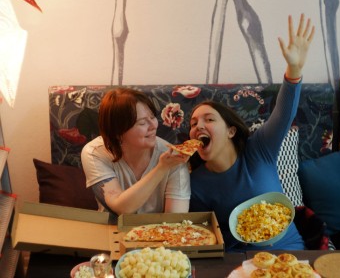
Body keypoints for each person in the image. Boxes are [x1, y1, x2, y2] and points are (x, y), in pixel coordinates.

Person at [188, 14, 315, 252]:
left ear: (231, 131)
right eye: (193, 123)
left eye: (209, 119)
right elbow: (204, 237)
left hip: (290, 253)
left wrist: (294, 70)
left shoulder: (259, 150)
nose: (198, 127)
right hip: (241, 261)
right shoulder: (195, 184)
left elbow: (283, 114)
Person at [81, 88, 191, 221]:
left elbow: (175, 221)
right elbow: (121, 208)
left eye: (152, 117)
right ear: (117, 131)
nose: (153, 126)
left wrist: (167, 166)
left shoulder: (173, 157)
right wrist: (161, 168)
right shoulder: (95, 153)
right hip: (111, 231)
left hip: (159, 234)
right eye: (142, 123)